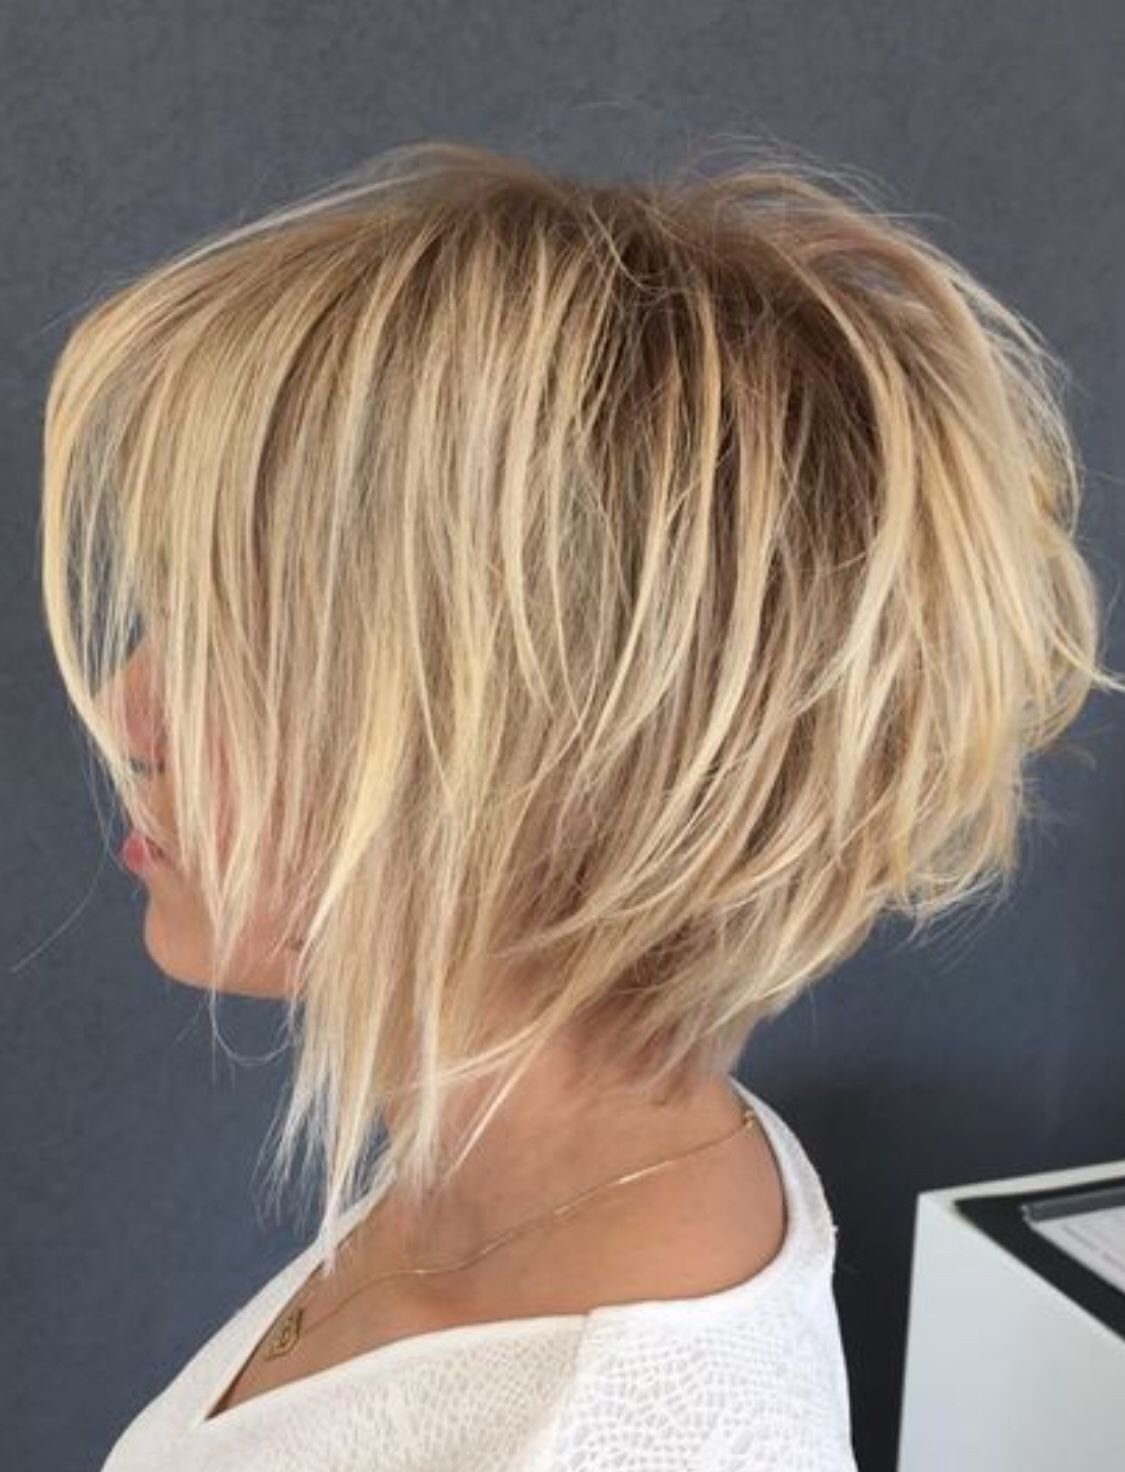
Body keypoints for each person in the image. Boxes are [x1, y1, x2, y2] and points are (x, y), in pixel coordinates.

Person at [39, 138, 1121, 1471]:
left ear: (556, 749)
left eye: (238, 648)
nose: (126, 708)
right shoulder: (565, 1171)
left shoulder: (595, 1435)